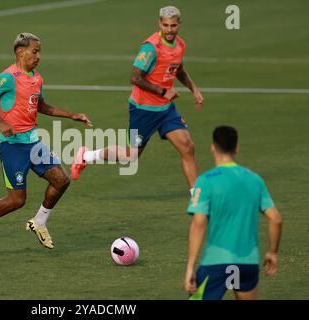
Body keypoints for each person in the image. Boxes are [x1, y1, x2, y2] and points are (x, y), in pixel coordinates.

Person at [0, 33, 92, 253]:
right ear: (20, 52)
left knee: (61, 180)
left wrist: (72, 115)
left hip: (33, 143)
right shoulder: (8, 77)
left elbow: (41, 106)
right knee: (17, 200)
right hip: (12, 147)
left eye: (39, 51)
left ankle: (39, 222)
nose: (39, 56)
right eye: (35, 51)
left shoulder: (36, 78)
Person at [71, 6, 204, 195]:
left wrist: (194, 89)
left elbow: (178, 70)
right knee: (130, 156)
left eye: (173, 26)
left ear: (179, 25)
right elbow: (135, 77)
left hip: (166, 109)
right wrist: (162, 91)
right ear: (159, 23)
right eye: (165, 25)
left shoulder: (180, 45)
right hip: (143, 110)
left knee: (187, 147)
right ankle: (86, 155)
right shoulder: (151, 48)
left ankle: (196, 196)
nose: (169, 30)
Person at [184, 126, 283, 300]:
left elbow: (199, 224)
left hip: (215, 263)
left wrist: (190, 266)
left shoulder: (205, 181)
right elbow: (276, 219)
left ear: (213, 147)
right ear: (237, 148)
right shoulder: (255, 180)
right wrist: (273, 252)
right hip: (247, 264)